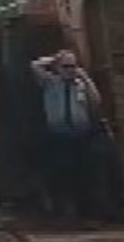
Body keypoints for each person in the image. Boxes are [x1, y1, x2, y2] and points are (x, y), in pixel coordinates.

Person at [31, 49, 100, 219]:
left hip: (81, 136)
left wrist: (84, 78)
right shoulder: (50, 82)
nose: (70, 70)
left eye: (73, 66)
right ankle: (64, 212)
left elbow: (96, 101)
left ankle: (86, 212)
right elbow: (34, 66)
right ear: (58, 68)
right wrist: (54, 58)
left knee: (85, 174)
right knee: (61, 175)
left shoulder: (81, 85)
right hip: (59, 136)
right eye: (66, 66)